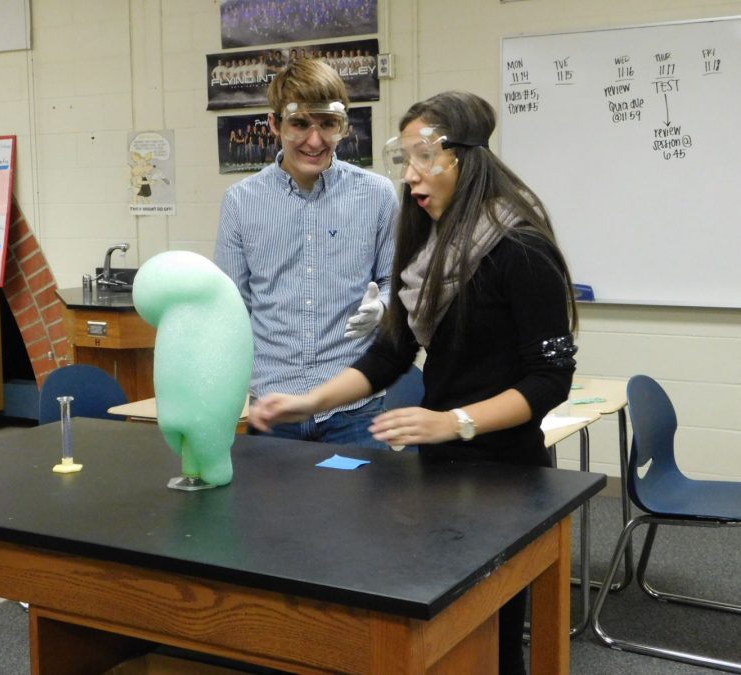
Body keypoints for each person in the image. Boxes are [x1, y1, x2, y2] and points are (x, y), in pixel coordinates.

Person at [248, 90, 579, 675]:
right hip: (438, 471)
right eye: (404, 160)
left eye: (424, 159)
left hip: (506, 475)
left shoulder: (521, 249)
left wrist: (453, 421)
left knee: (496, 639)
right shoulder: (429, 241)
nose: (411, 176)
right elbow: (390, 354)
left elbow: (550, 380)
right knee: (444, 634)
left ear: (465, 159)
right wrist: (308, 401)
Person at [215, 58, 398, 450]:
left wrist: (383, 307)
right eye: (300, 124)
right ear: (274, 124)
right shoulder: (240, 203)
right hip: (273, 407)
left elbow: (394, 282)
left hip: (355, 410)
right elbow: (230, 309)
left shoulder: (378, 195)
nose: (314, 141)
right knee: (273, 514)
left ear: (342, 126)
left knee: (360, 514)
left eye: (327, 125)